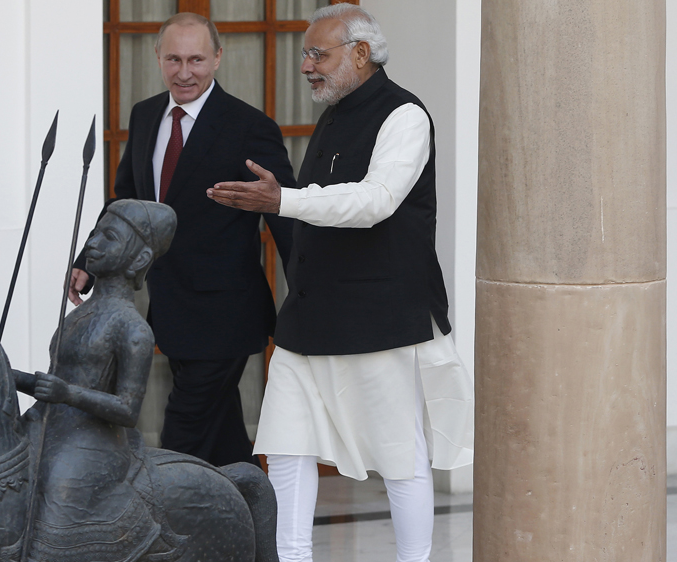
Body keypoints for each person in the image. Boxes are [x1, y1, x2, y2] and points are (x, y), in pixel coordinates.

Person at [207, 4, 474, 562]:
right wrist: (287, 197)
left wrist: (284, 198)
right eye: (305, 53)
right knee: (285, 447)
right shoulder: (336, 108)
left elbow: (375, 202)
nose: (306, 65)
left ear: (360, 53)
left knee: (400, 456)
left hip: (378, 317)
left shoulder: (405, 116)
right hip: (309, 314)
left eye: (317, 53)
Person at [70, 13, 296, 468]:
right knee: (223, 434)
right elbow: (126, 199)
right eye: (173, 58)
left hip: (226, 313)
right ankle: (249, 511)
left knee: (183, 431)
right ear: (158, 57)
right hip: (171, 307)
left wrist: (309, 295)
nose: (185, 71)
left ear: (217, 57)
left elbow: (284, 215)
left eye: (196, 58)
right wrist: (88, 262)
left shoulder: (249, 126)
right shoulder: (146, 114)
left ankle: (159, 526)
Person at [28, 200, 184, 562]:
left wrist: (67, 393)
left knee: (52, 510)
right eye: (95, 233)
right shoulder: (79, 315)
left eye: (108, 237)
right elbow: (52, 382)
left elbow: (128, 409)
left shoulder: (132, 328)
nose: (93, 243)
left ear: (139, 259)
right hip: (48, 427)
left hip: (93, 444)